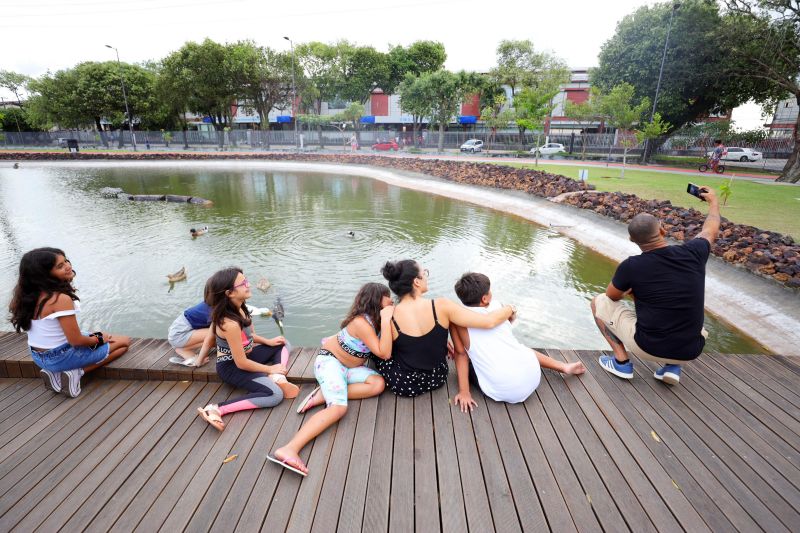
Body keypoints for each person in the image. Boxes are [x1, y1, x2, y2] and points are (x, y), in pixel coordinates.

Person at [590, 186, 721, 385]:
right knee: (683, 313)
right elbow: (710, 230)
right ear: (661, 230)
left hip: (648, 346)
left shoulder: (631, 266)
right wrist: (713, 202)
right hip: (691, 349)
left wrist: (635, 294)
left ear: (632, 240)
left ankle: (621, 362)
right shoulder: (694, 252)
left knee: (598, 302)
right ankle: (672, 367)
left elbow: (612, 296)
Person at [269, 283, 393, 476]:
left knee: (378, 384)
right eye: (387, 296)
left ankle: (325, 393)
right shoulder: (362, 322)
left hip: (350, 369)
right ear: (376, 300)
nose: (392, 300)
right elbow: (384, 353)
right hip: (330, 364)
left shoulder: (378, 320)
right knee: (338, 408)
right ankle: (290, 448)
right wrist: (386, 321)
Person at [375, 260, 515, 397]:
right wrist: (510, 308)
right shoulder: (442, 306)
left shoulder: (390, 314)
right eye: (425, 273)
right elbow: (488, 321)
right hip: (437, 377)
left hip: (405, 384)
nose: (426, 277)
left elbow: (385, 354)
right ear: (416, 282)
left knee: (377, 353)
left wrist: (385, 321)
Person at [450, 272, 585, 409]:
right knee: (517, 347)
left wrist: (464, 392)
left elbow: (460, 354)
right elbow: (506, 327)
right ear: (484, 299)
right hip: (533, 375)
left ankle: (562, 367)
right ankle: (563, 366)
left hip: (504, 388)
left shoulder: (457, 321)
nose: (492, 293)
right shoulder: (498, 306)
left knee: (470, 359)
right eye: (489, 290)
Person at [8, 247, 131, 397]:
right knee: (124, 342)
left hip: (38, 357)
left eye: (66, 260)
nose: (68, 266)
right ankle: (77, 373)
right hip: (61, 356)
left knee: (103, 337)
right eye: (60, 266)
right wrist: (98, 339)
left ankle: (56, 373)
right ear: (44, 275)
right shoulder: (59, 299)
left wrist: (96, 338)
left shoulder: (26, 296)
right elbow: (76, 341)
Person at [196, 267, 299, 431]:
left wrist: (269, 341)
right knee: (275, 395)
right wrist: (269, 368)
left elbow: (250, 337)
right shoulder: (228, 323)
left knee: (283, 342)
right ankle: (216, 409)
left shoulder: (242, 308)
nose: (248, 284)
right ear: (229, 293)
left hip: (248, 356)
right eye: (243, 283)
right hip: (232, 367)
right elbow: (241, 363)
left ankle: (278, 377)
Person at [167, 287, 214, 367]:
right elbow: (212, 336)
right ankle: (185, 351)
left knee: (218, 336)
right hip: (179, 334)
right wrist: (200, 360)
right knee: (218, 333)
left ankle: (182, 349)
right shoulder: (212, 309)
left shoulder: (211, 303)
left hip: (177, 333)